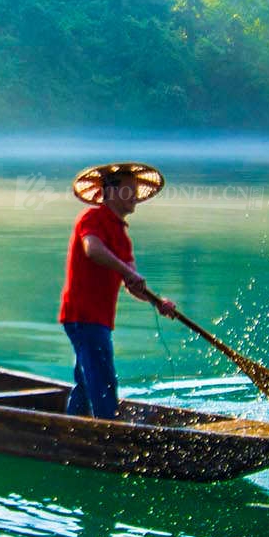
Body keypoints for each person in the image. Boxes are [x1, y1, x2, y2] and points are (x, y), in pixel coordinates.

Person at [59, 162, 175, 419]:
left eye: (135, 191)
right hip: (83, 315)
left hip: (98, 318)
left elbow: (133, 284)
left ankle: (70, 428)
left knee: (86, 381)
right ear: (110, 192)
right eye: (128, 190)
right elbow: (93, 249)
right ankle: (108, 431)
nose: (134, 196)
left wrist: (158, 303)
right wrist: (128, 271)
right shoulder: (92, 218)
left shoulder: (122, 236)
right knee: (103, 382)